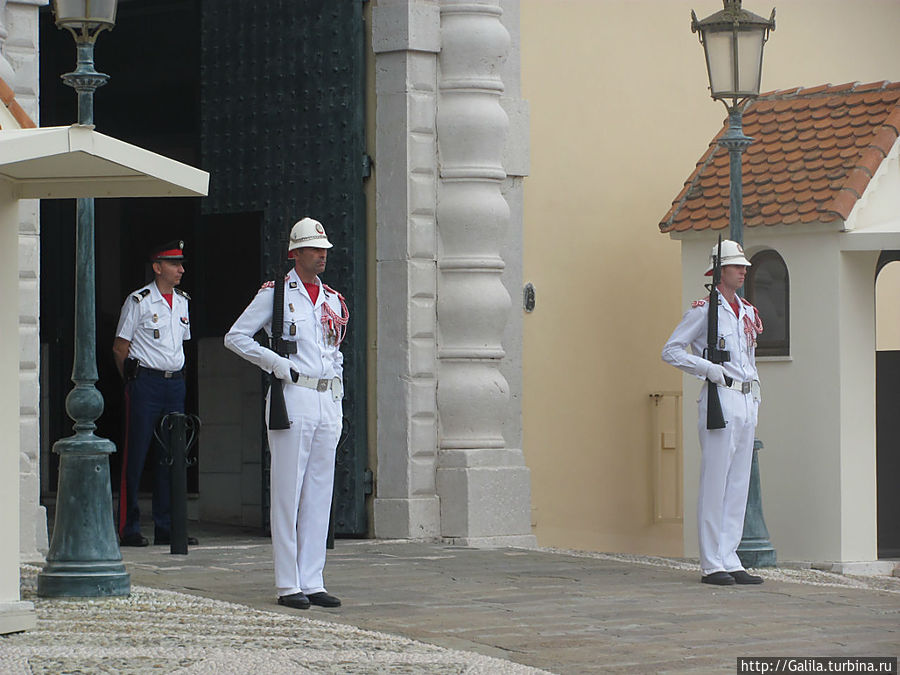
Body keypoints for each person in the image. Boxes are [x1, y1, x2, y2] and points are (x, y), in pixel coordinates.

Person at [224, 217, 349, 610]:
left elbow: (335, 351)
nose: (322, 254)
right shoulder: (276, 295)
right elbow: (236, 337)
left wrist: (338, 396)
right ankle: (287, 582)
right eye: (314, 248)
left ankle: (313, 579)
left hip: (326, 398)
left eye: (324, 248)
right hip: (292, 394)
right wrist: (275, 363)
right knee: (287, 492)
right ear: (295, 253)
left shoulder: (332, 300)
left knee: (318, 492)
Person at [661, 239, 765, 586]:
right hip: (720, 397)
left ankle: (730, 556)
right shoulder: (703, 310)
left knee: (738, 483)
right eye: (737, 266)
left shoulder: (747, 311)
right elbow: (672, 350)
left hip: (745, 400)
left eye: (744, 267)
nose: (744, 270)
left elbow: (748, 359)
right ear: (720, 271)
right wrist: (706, 368)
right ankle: (711, 562)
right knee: (715, 481)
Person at [113, 240, 197, 547]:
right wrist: (131, 382)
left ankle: (167, 527)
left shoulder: (183, 301)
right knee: (135, 455)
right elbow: (120, 347)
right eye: (175, 264)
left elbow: (180, 344)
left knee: (171, 458)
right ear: (157, 267)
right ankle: (129, 527)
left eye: (181, 264)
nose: (181, 270)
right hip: (145, 382)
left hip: (174, 383)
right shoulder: (139, 301)